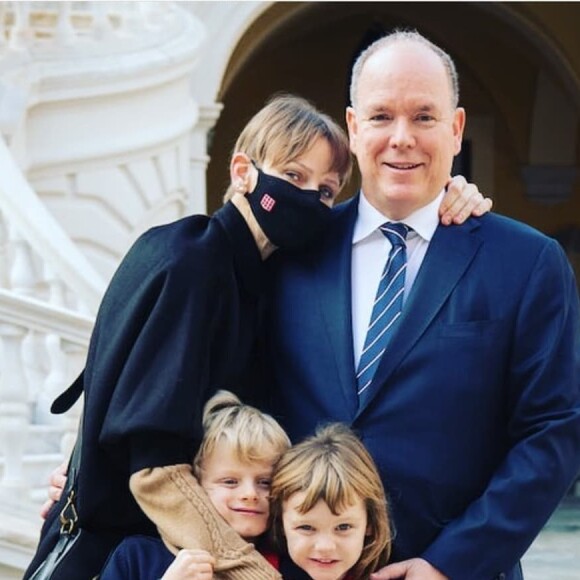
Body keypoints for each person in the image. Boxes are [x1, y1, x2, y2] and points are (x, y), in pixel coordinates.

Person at [28, 91, 489, 579]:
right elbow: (151, 463)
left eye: (326, 191)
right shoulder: (191, 261)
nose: (309, 198)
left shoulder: (268, 276)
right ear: (243, 171)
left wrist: (448, 193)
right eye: (293, 176)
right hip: (130, 554)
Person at [261, 30, 580, 580]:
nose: (401, 138)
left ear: (456, 129)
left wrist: (448, 564)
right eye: (381, 116)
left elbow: (553, 431)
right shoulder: (288, 255)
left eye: (424, 117)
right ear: (355, 128)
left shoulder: (527, 263)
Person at [100, 390, 290, 579]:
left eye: (265, 482)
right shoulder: (137, 557)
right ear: (196, 485)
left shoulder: (291, 565)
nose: (250, 494)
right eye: (230, 482)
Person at [270, 423, 392, 580]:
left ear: (370, 523)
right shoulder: (255, 570)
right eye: (306, 527)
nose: (325, 547)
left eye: (343, 527)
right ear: (281, 523)